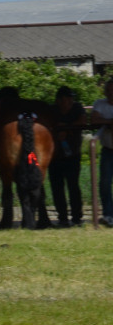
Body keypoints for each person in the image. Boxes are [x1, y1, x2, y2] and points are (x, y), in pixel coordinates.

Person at [50, 86, 86, 227]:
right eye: (67, 99)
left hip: (73, 154)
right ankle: (63, 218)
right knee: (57, 188)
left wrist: (66, 127)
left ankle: (77, 217)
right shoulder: (52, 110)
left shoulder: (77, 108)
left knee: (73, 186)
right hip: (55, 156)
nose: (70, 101)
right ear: (59, 100)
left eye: (71, 98)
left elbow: (83, 122)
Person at [92, 79, 113, 227]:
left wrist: (105, 121)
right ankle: (108, 214)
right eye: (109, 91)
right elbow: (94, 119)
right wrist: (110, 122)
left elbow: (100, 119)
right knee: (105, 183)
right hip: (108, 150)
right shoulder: (100, 104)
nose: (111, 94)